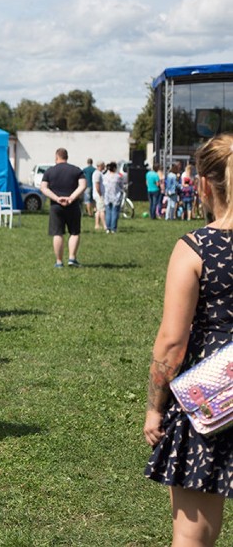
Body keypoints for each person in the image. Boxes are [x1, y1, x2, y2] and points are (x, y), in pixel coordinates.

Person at [144, 133, 233, 546]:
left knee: (194, 534)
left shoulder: (196, 248)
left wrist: (154, 408)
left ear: (202, 184)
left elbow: (171, 344)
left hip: (211, 397)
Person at [40, 148, 86, 267]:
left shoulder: (50, 171)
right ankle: (72, 258)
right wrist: (71, 198)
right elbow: (83, 185)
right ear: (67, 157)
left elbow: (43, 187)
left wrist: (57, 198)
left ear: (56, 157)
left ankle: (59, 261)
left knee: (58, 233)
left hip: (56, 206)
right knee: (74, 232)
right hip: (73, 205)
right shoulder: (76, 170)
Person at [102, 161, 124, 233]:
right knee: (114, 212)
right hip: (116, 196)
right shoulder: (118, 177)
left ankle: (108, 228)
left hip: (107, 196)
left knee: (108, 212)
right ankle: (113, 228)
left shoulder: (105, 176)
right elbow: (121, 186)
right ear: (114, 168)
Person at [92, 161, 106, 231]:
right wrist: (100, 194)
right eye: (103, 165)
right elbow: (97, 184)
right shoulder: (97, 173)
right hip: (99, 194)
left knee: (98, 210)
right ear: (100, 166)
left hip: (97, 194)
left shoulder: (99, 173)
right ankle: (105, 225)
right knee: (102, 210)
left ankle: (97, 224)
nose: (105, 166)